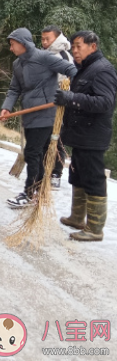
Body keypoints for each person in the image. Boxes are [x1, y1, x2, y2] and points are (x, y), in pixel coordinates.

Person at [1, 28, 77, 208]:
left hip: (46, 113)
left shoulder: (44, 58)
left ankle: (29, 193)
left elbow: (71, 69)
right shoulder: (17, 64)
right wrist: (6, 107)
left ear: (23, 43)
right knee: (38, 153)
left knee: (32, 152)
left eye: (13, 44)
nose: (11, 48)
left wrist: (68, 91)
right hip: (28, 113)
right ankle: (40, 190)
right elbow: (14, 89)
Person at [55, 31, 117, 241]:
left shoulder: (102, 70)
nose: (75, 51)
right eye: (73, 47)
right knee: (78, 175)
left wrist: (72, 98)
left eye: (79, 46)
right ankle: (77, 217)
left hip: (93, 135)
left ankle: (95, 229)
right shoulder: (85, 69)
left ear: (93, 46)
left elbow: (105, 102)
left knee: (93, 178)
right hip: (80, 134)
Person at [41, 24, 74, 189]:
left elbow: (68, 79)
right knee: (44, 137)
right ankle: (43, 170)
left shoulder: (64, 56)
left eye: (48, 39)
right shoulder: (43, 55)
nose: (44, 42)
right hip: (43, 103)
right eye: (42, 38)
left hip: (58, 104)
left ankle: (56, 173)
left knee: (57, 138)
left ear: (57, 38)